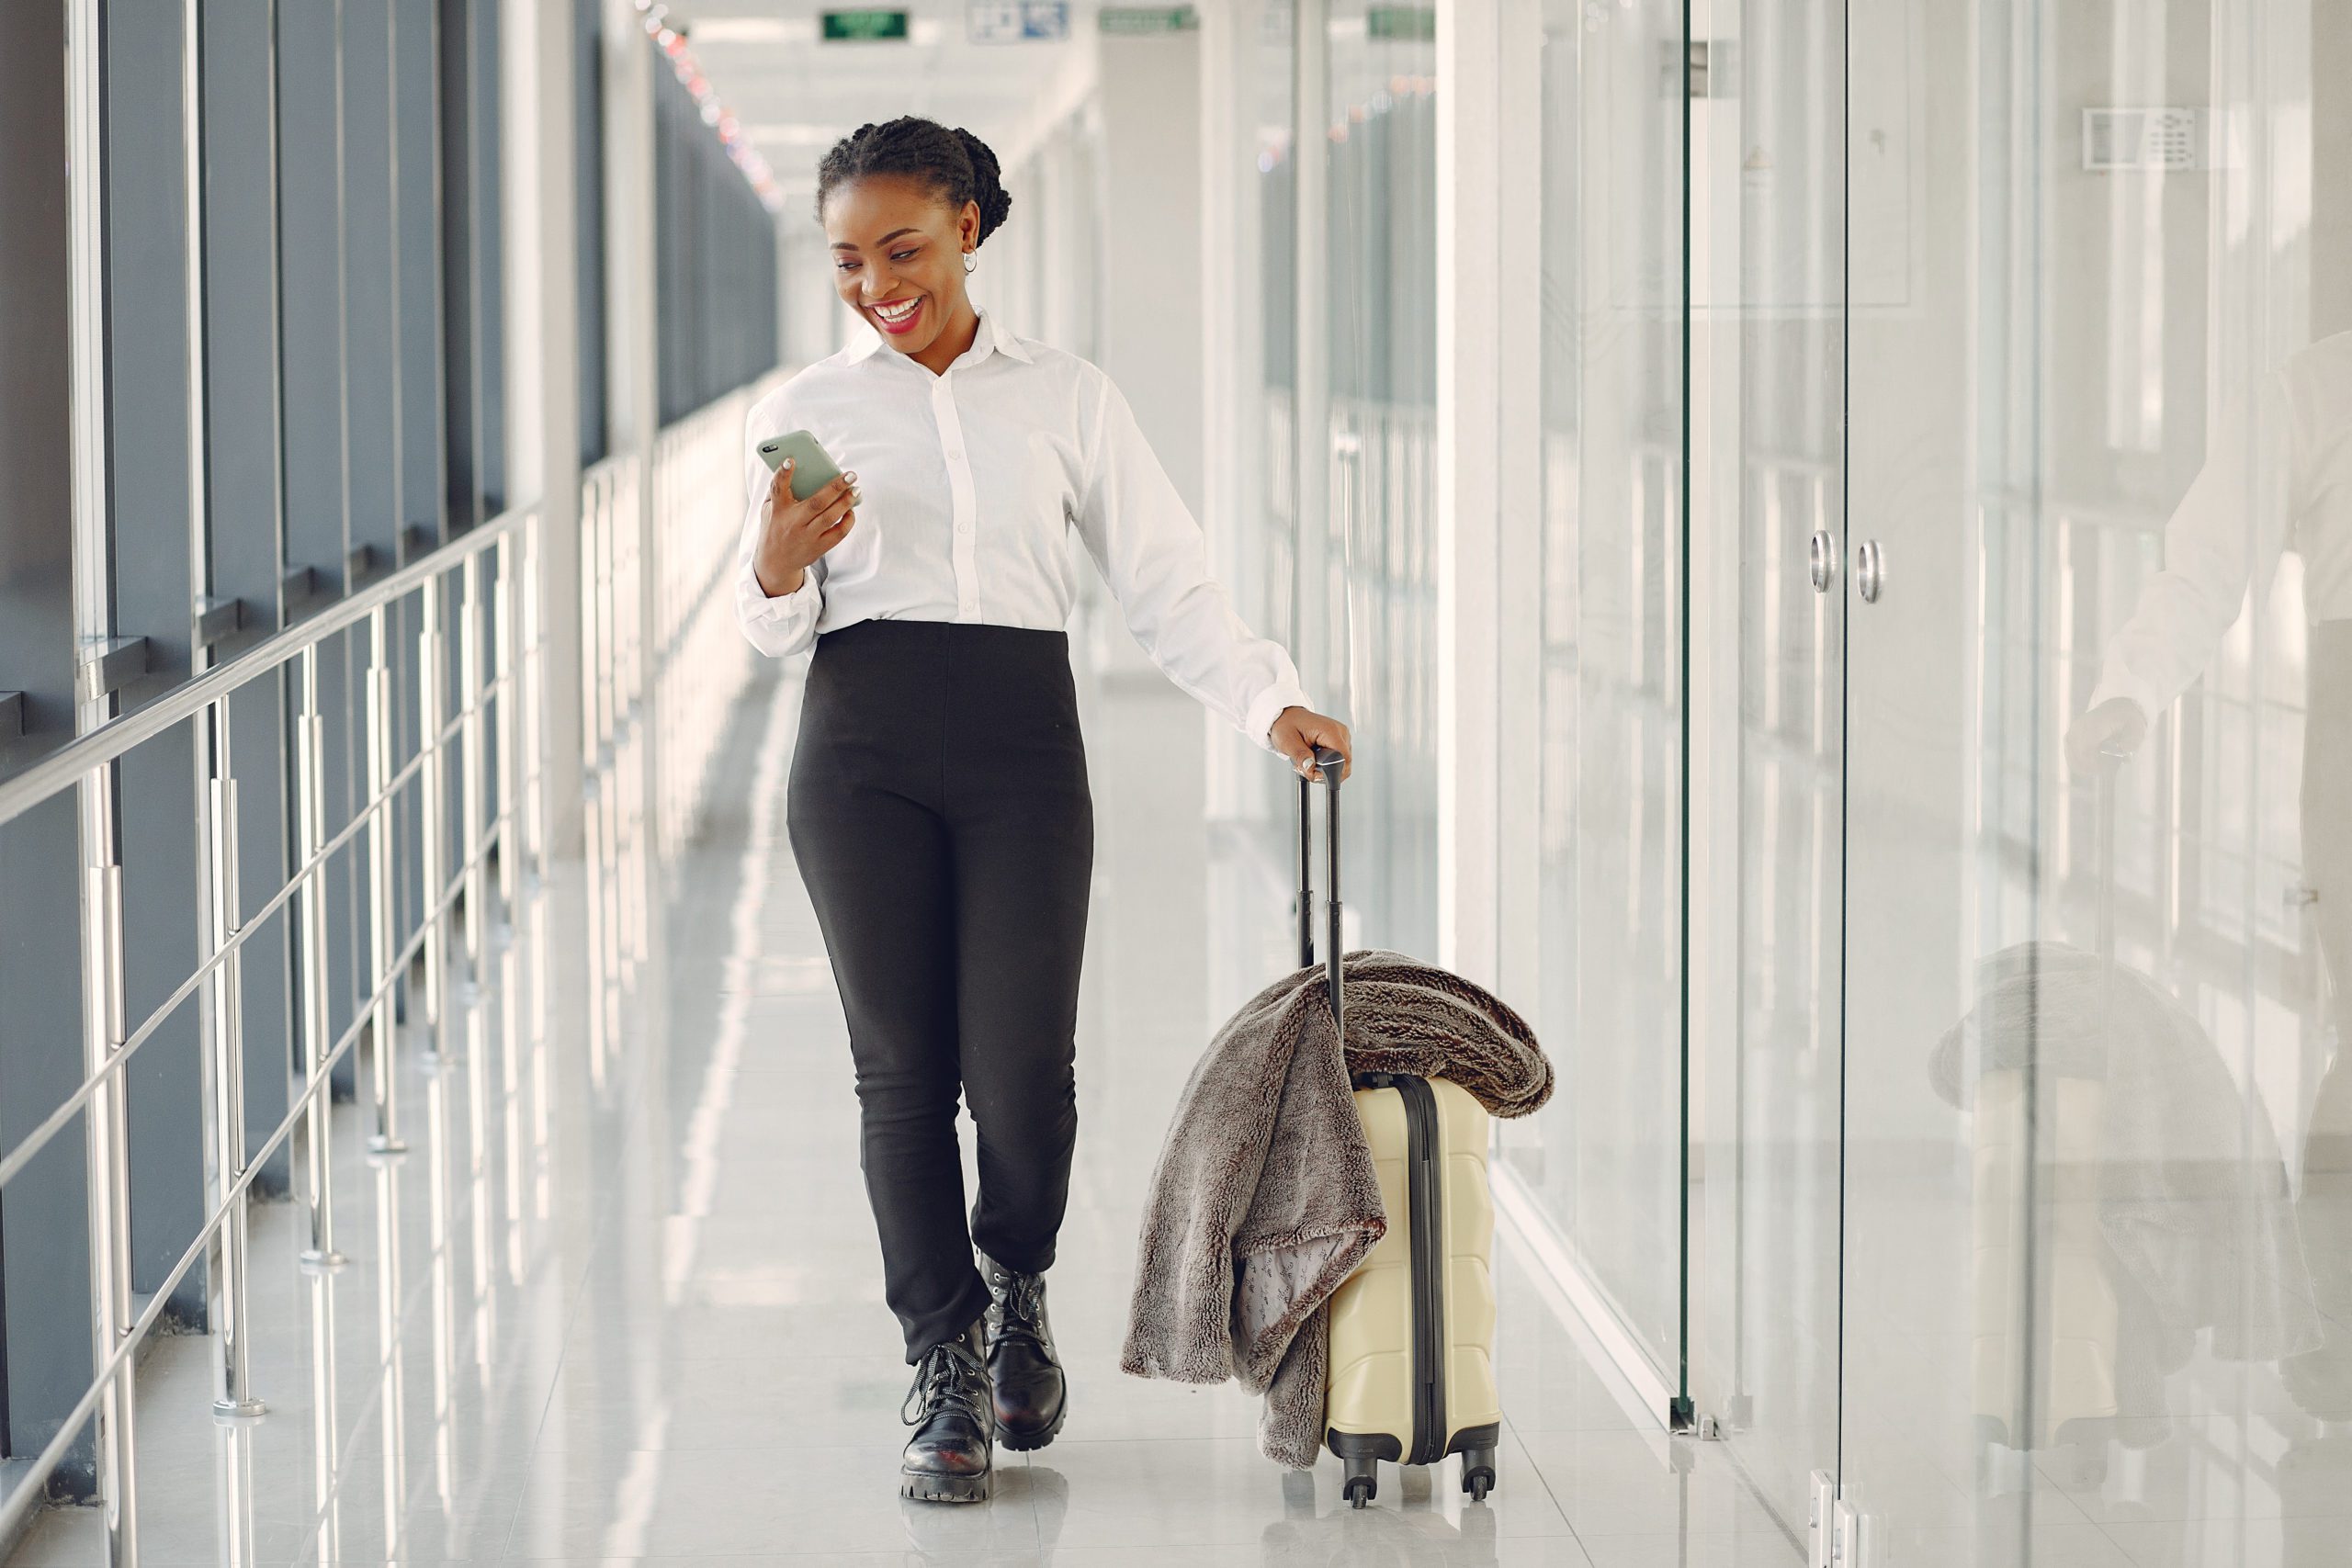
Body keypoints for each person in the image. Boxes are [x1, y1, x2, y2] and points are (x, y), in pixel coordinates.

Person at [731, 117, 1352, 1505]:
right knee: (900, 1076)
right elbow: (770, 635)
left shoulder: (1065, 396)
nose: (878, 282)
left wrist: (1269, 703)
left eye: (902, 246)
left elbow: (1167, 584)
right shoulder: (812, 404)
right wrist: (774, 564)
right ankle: (942, 1357)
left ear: (967, 226)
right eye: (847, 259)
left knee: (1021, 1072)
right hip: (860, 753)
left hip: (1021, 753)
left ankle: (1017, 1281)